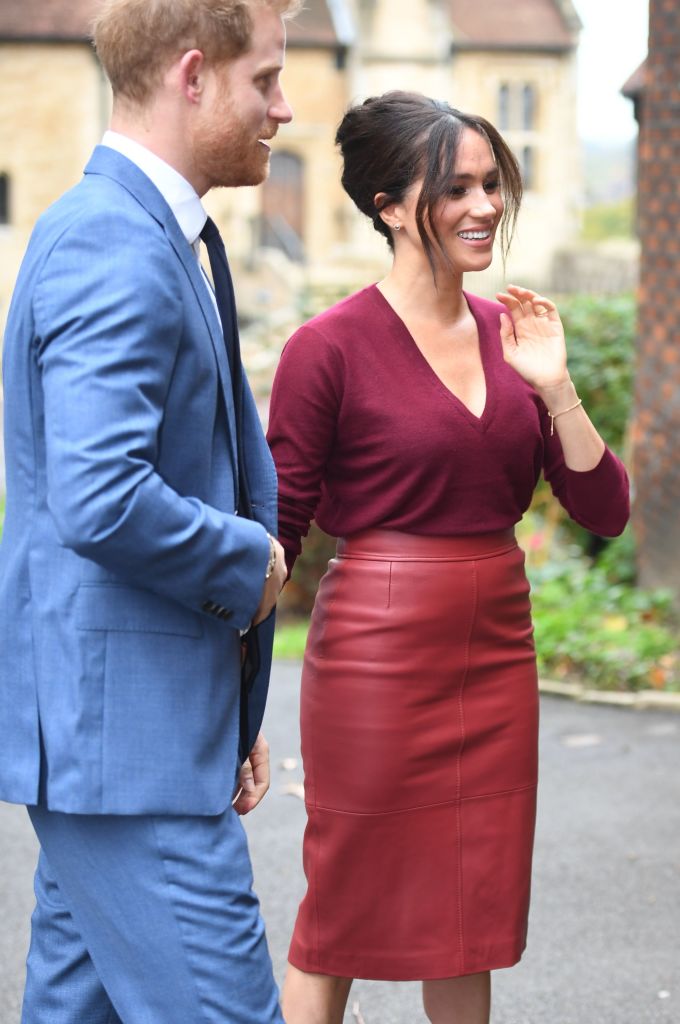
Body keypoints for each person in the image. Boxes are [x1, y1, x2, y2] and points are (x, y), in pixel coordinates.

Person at [267, 91, 630, 1024]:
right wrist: (228, 705)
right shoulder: (327, 348)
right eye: (456, 187)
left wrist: (554, 387)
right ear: (390, 204)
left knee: (469, 914)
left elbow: (606, 508)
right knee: (339, 910)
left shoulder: (518, 340)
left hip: (496, 645)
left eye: (490, 183)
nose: (485, 206)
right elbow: (279, 529)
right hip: (374, 660)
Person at [0, 0, 300, 1021]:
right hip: (126, 753)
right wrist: (251, 564)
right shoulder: (114, 242)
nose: (284, 107)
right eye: (264, 80)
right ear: (191, 75)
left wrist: (223, 701)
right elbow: (100, 491)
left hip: (132, 731)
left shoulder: (130, 229)